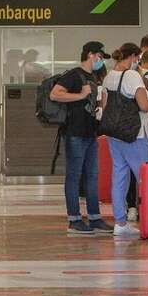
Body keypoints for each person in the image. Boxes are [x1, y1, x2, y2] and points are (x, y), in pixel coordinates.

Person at [101, 43, 148, 236]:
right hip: (135, 134)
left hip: (114, 135)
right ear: (132, 57)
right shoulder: (132, 76)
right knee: (147, 178)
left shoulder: (109, 76)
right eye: (137, 59)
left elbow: (105, 106)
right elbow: (144, 105)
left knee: (119, 176)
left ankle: (120, 223)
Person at [49, 41, 113, 234]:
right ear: (91, 55)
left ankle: (94, 217)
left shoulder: (93, 76)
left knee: (92, 176)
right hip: (75, 133)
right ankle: (74, 219)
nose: (101, 61)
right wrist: (80, 95)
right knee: (74, 176)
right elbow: (55, 94)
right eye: (100, 57)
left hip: (90, 132)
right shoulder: (74, 75)